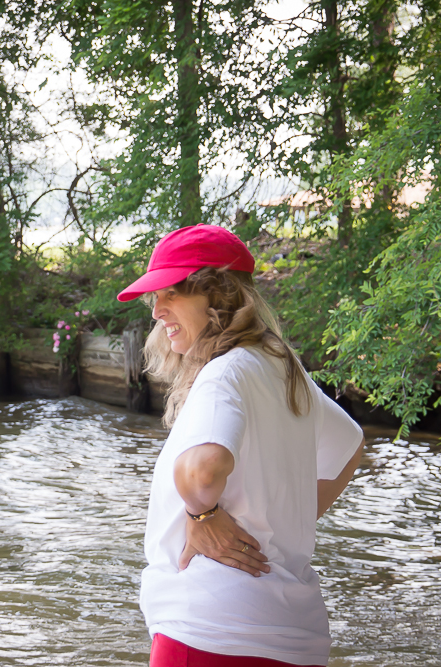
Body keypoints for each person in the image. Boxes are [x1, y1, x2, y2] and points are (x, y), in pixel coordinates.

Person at [117, 224, 364, 667]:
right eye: (155, 297)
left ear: (219, 293)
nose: (157, 310)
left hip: (207, 629)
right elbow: (350, 445)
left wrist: (202, 515)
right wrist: (283, 517)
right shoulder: (282, 367)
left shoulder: (223, 374)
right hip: (294, 638)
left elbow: (203, 470)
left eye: (171, 293)